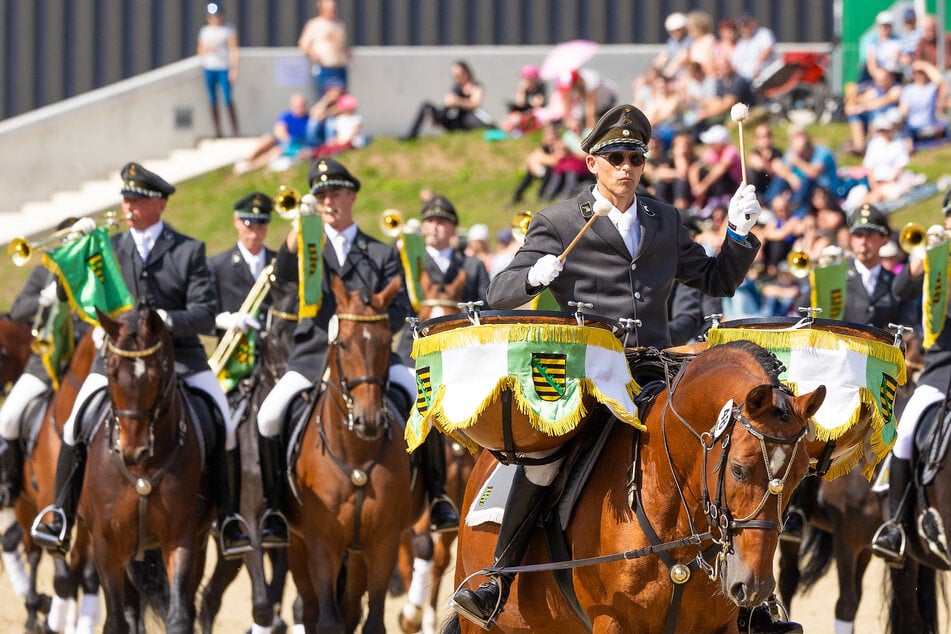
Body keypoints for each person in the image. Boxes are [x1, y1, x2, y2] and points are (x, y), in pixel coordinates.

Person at [450, 104, 794, 633]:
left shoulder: (664, 220)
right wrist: (533, 279)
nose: (626, 167)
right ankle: (498, 575)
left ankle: (748, 602)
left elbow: (716, 279)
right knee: (543, 461)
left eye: (634, 157)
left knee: (729, 453)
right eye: (614, 157)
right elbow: (499, 292)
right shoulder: (559, 221)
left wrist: (741, 235)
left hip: (655, 373)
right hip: (587, 374)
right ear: (591, 162)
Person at [30, 163, 252, 560]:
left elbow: (205, 311)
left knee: (226, 424)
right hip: (117, 364)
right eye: (126, 199)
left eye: (137, 199)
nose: (128, 206)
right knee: (74, 423)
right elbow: (76, 299)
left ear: (159, 204)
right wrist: (75, 259)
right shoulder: (109, 249)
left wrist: (169, 321)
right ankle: (60, 514)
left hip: (180, 359)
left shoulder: (188, 250)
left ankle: (230, 518)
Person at [253, 158, 457, 543]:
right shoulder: (304, 246)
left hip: (371, 360)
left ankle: (436, 496)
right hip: (313, 356)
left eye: (335, 193)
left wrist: (366, 326)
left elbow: (400, 311)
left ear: (351, 196)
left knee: (421, 403)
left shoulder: (380, 253)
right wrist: (289, 245)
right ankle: (275, 510)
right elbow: (281, 290)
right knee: (268, 417)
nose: (328, 201)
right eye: (322, 194)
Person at [871, 192, 951, 566]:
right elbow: (898, 293)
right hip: (940, 371)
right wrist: (917, 268)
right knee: (904, 432)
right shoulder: (932, 259)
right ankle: (896, 526)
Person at [0, 219, 88, 509]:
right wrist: (46, 297)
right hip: (46, 363)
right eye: (64, 242)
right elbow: (17, 310)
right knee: (7, 418)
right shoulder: (44, 272)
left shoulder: (95, 274)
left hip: (87, 364)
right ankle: (10, 485)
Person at [208, 192, 277, 393]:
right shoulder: (217, 265)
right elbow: (203, 314)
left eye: (261, 226)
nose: (254, 234)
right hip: (235, 363)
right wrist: (224, 320)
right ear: (236, 221)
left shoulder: (278, 264)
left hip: (274, 359)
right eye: (249, 226)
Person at [401, 60, 493, 141]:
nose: (457, 78)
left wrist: (458, 102)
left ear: (466, 73)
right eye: (455, 76)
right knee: (426, 106)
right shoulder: (456, 88)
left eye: (459, 75)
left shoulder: (475, 87)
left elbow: (475, 103)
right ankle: (411, 135)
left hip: (467, 121)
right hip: (454, 121)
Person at [234, 93, 312, 174]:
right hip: (284, 141)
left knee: (277, 150)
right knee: (267, 139)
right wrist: (285, 138)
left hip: (294, 145)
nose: (301, 108)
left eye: (302, 105)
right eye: (298, 106)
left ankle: (251, 167)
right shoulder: (287, 116)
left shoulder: (309, 119)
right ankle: (247, 160)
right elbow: (279, 129)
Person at [197, 2, 239, 138]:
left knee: (227, 99)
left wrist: (234, 69)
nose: (214, 19)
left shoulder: (228, 29)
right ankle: (218, 131)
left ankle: (235, 130)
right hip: (210, 67)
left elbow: (233, 49)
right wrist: (208, 48)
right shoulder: (205, 31)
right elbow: (200, 51)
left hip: (224, 67)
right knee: (212, 100)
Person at [298, 0, 350, 101]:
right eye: (330, 9)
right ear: (322, 10)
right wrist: (314, 54)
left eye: (334, 9)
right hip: (325, 67)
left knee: (341, 99)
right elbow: (304, 44)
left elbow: (342, 44)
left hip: (340, 67)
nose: (333, 11)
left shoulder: (339, 24)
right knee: (325, 99)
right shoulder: (315, 24)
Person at [732, 13, 778, 84]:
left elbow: (767, 50)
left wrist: (757, 67)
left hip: (763, 77)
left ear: (753, 23)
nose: (745, 28)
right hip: (743, 79)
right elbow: (735, 64)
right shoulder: (741, 43)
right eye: (742, 25)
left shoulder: (763, 34)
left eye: (747, 24)